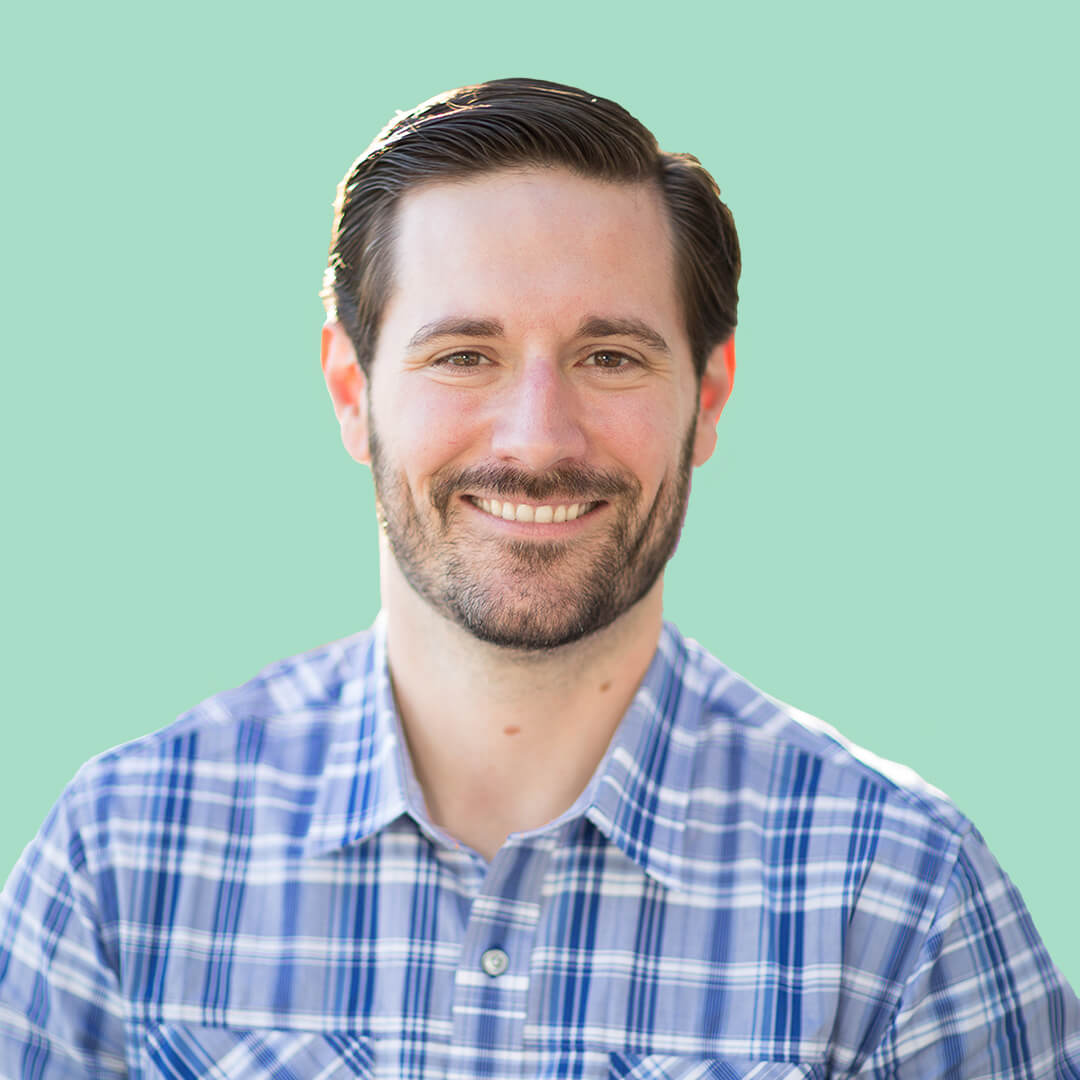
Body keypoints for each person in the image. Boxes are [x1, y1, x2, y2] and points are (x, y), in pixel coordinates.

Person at [0, 77, 1076, 1080]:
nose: (537, 438)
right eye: (463, 355)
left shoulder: (900, 892)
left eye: (611, 358)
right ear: (351, 389)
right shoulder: (123, 850)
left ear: (707, 398)